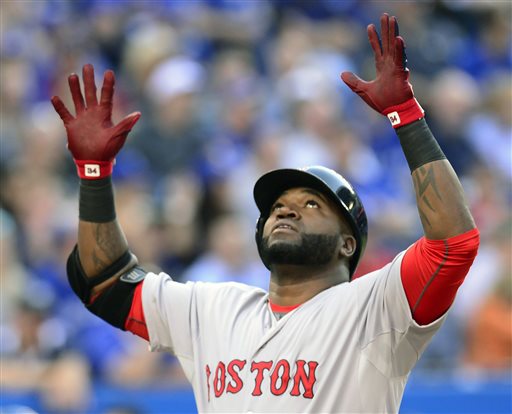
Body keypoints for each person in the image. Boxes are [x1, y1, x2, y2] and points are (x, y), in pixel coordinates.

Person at [51, 13, 479, 413]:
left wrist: (405, 116)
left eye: (311, 204)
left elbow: (453, 244)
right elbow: (104, 281)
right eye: (277, 206)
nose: (286, 211)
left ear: (349, 243)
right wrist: (95, 175)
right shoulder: (214, 307)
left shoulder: (375, 307)